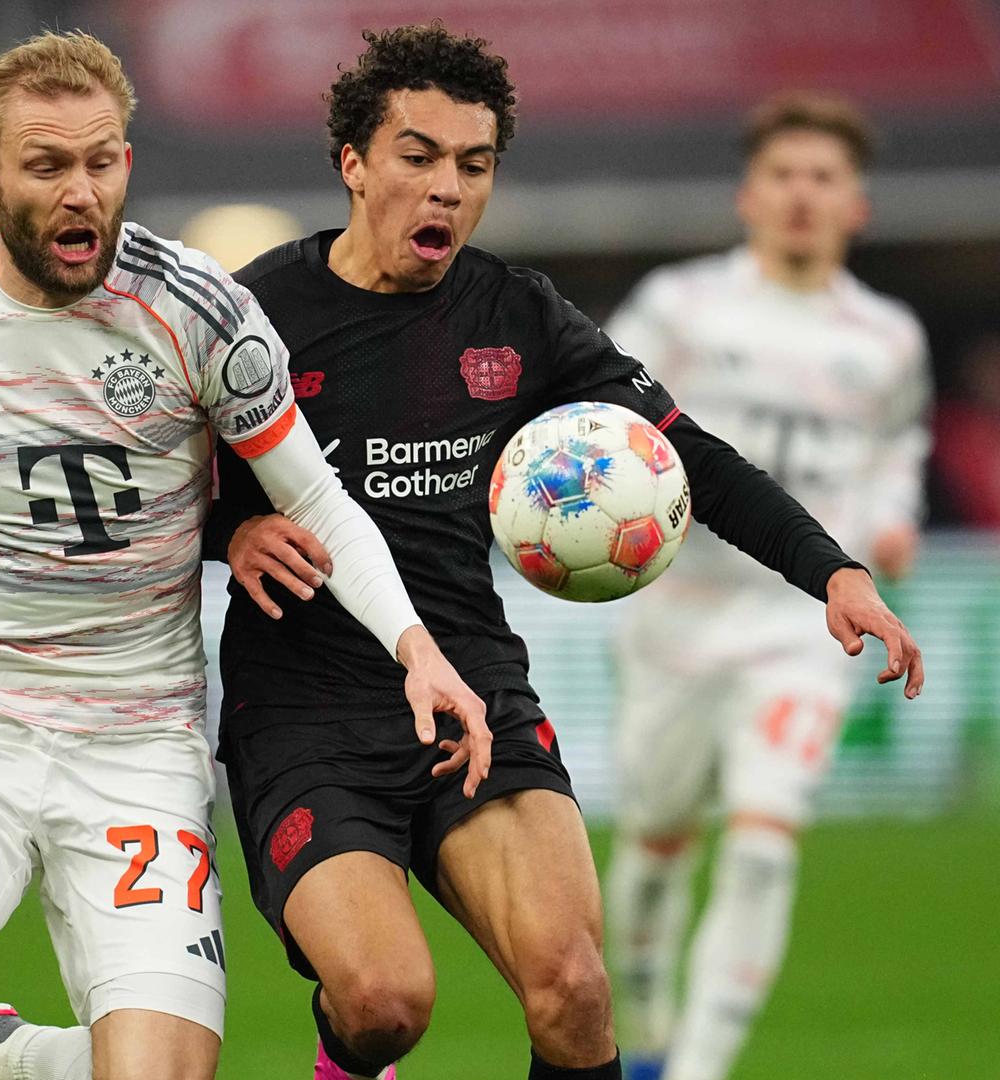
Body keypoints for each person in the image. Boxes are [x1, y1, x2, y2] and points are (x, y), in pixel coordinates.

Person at [0, 31, 489, 1080]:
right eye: (47, 166)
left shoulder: (203, 314)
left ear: (127, 161)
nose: (81, 190)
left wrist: (417, 648)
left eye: (101, 160)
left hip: (137, 742)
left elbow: (317, 498)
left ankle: (18, 1060)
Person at [201, 24, 925, 1080]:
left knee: (578, 991)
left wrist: (835, 570)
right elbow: (158, 494)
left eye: (474, 164)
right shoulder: (257, 314)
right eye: (418, 157)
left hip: (471, 687)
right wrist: (235, 527)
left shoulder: (517, 315)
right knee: (383, 1003)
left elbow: (689, 459)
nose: (447, 187)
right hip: (307, 707)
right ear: (352, 164)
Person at [600, 93, 931, 1080]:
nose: (802, 194)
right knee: (654, 854)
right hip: (674, 620)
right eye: (784, 175)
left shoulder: (888, 339)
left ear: (855, 206)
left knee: (761, 845)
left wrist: (891, 518)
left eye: (824, 178)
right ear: (749, 195)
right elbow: (597, 410)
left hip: (801, 627)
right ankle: (649, 1023)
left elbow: (895, 445)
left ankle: (697, 1071)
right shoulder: (678, 307)